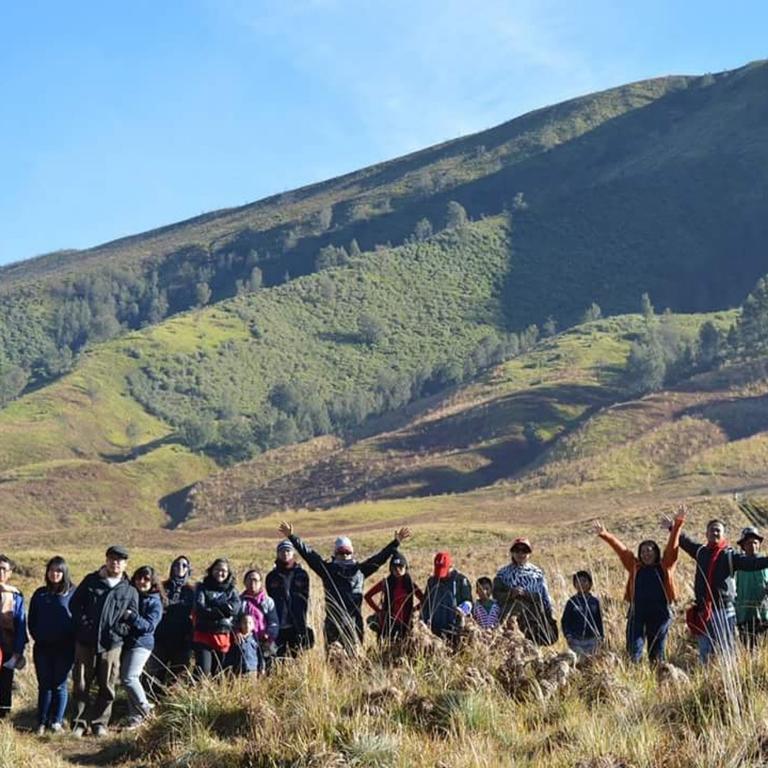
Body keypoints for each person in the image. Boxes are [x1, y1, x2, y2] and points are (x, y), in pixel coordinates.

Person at [278, 521, 411, 652]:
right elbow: (309, 555)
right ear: (336, 553)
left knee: (354, 663)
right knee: (334, 661)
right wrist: (292, 537)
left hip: (352, 625)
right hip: (334, 625)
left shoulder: (359, 570)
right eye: (341, 552)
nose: (345, 556)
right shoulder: (328, 570)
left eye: (347, 552)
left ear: (352, 552)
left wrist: (396, 542)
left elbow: (380, 558)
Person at [593, 510, 685, 664]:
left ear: (656, 553)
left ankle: (658, 681)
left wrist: (677, 526)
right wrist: (605, 534)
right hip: (637, 614)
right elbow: (622, 550)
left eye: (650, 551)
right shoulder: (635, 566)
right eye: (643, 551)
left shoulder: (665, 565)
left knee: (657, 654)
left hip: (660, 614)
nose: (646, 554)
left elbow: (672, 548)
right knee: (633, 651)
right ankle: (634, 676)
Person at [69, 545, 138, 737]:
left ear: (125, 564)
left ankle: (100, 723)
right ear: (106, 560)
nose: (115, 563)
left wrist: (119, 631)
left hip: (112, 644)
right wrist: (83, 624)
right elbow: (75, 605)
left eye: (120, 560)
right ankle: (79, 723)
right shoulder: (91, 581)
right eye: (112, 559)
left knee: (107, 685)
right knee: (81, 683)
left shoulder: (129, 590)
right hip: (86, 642)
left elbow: (132, 616)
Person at [679, 517, 768, 663]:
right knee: (705, 653)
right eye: (712, 529)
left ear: (723, 534)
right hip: (703, 611)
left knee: (727, 652)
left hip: (724, 611)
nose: (714, 532)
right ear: (706, 534)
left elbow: (753, 563)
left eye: (718, 530)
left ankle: (728, 681)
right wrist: (674, 527)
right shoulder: (700, 552)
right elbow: (685, 542)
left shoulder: (729, 556)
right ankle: (708, 682)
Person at [28, 556, 75, 735]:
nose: (54, 574)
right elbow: (31, 620)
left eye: (58, 570)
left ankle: (56, 721)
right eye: (51, 570)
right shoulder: (40, 593)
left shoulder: (73, 592)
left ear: (64, 573)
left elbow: (78, 617)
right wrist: (38, 636)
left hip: (65, 648)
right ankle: (41, 721)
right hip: (42, 648)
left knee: (60, 685)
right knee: (44, 685)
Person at [121, 566, 165, 728]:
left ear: (152, 581)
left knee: (129, 677)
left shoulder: (155, 601)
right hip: (128, 642)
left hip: (142, 644)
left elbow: (149, 626)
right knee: (131, 679)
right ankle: (136, 718)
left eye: (146, 579)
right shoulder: (131, 595)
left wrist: (132, 617)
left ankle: (146, 708)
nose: (142, 582)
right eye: (139, 578)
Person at [493, 538, 557, 645]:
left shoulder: (537, 573)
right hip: (511, 617)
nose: (520, 554)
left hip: (534, 617)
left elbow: (544, 596)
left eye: (524, 551)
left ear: (529, 553)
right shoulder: (503, 574)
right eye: (517, 550)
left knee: (534, 645)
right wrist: (511, 594)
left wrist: (527, 594)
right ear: (512, 553)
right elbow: (496, 595)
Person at [148, 556, 195, 688]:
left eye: (184, 565)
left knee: (177, 677)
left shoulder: (192, 590)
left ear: (188, 569)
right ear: (172, 568)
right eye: (177, 565)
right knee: (155, 673)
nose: (180, 568)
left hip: (183, 638)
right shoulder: (161, 587)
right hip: (161, 636)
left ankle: (170, 705)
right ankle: (151, 703)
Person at [192, 558, 241, 676]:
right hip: (204, 634)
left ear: (228, 573)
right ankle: (196, 691)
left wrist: (214, 608)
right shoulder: (202, 588)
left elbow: (234, 609)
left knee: (218, 673)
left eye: (223, 570)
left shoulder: (232, 591)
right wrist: (222, 610)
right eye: (217, 569)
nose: (220, 573)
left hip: (223, 636)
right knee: (203, 671)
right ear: (212, 571)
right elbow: (200, 609)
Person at [266, 539, 313, 657]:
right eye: (282, 551)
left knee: (297, 657)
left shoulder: (302, 575)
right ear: (277, 554)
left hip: (297, 624)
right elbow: (270, 596)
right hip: (279, 623)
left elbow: (305, 598)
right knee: (278, 657)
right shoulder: (272, 576)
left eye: (288, 550)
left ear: (293, 553)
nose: (285, 553)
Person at [364, 552, 424, 642]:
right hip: (388, 623)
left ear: (406, 568)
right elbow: (368, 596)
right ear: (390, 569)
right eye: (394, 568)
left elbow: (424, 599)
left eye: (401, 567)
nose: (398, 570)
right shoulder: (386, 583)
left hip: (406, 623)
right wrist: (379, 611)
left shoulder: (410, 584)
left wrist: (414, 609)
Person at [421, 552, 473, 645]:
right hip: (434, 629)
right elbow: (426, 603)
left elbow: (468, 602)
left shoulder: (461, 581)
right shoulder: (432, 582)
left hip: (454, 629)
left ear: (451, 566)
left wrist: (461, 610)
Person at [0, 554, 27, 720]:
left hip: (8, 645)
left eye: (4, 569)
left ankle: (3, 718)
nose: (1, 572)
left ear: (10, 573)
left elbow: (20, 624)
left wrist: (18, 650)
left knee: (5, 682)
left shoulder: (16, 596)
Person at [735, 526, 768, 648]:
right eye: (748, 543)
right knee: (748, 649)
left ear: (759, 545)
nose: (752, 545)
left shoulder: (765, 563)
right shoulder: (736, 563)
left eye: (755, 542)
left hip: (764, 614)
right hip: (744, 615)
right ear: (743, 546)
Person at [561, 570, 604, 658]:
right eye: (578, 581)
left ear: (590, 583)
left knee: (592, 663)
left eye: (584, 581)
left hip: (592, 640)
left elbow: (599, 621)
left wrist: (601, 637)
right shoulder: (572, 602)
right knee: (579, 661)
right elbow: (565, 621)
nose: (581, 584)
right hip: (576, 641)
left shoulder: (594, 602)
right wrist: (568, 635)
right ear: (574, 585)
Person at [240, 569, 279, 667]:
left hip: (265, 641)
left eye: (255, 580)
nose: (252, 583)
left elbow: (274, 622)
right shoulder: (240, 601)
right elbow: (236, 621)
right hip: (247, 641)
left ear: (261, 583)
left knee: (269, 668)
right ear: (244, 582)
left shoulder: (268, 601)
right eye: (249, 580)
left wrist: (269, 635)